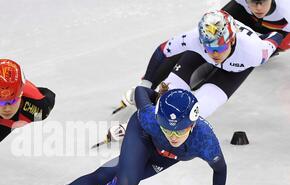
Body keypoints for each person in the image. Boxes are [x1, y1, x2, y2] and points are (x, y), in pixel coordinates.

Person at [16, 86, 227, 185]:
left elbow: (220, 169)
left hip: (164, 157)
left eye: (179, 131)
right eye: (167, 129)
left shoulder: (205, 141)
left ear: (192, 125)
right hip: (142, 135)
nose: (172, 136)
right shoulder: (150, 118)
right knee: (127, 181)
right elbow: (140, 91)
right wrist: (157, 96)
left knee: (109, 175)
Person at [103, 10, 283, 146]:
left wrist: (271, 34)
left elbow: (277, 36)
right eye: (208, 47)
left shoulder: (255, 52)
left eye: (219, 48)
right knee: (166, 95)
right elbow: (162, 51)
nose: (214, 54)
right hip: (197, 56)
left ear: (232, 41)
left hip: (236, 69)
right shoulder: (194, 39)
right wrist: (146, 84)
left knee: (199, 110)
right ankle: (135, 124)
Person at [223, 0, 290, 51]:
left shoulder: (286, 8)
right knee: (219, 22)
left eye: (264, 1)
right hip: (247, 16)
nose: (258, 8)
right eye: (253, 1)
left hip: (277, 29)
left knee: (284, 44)